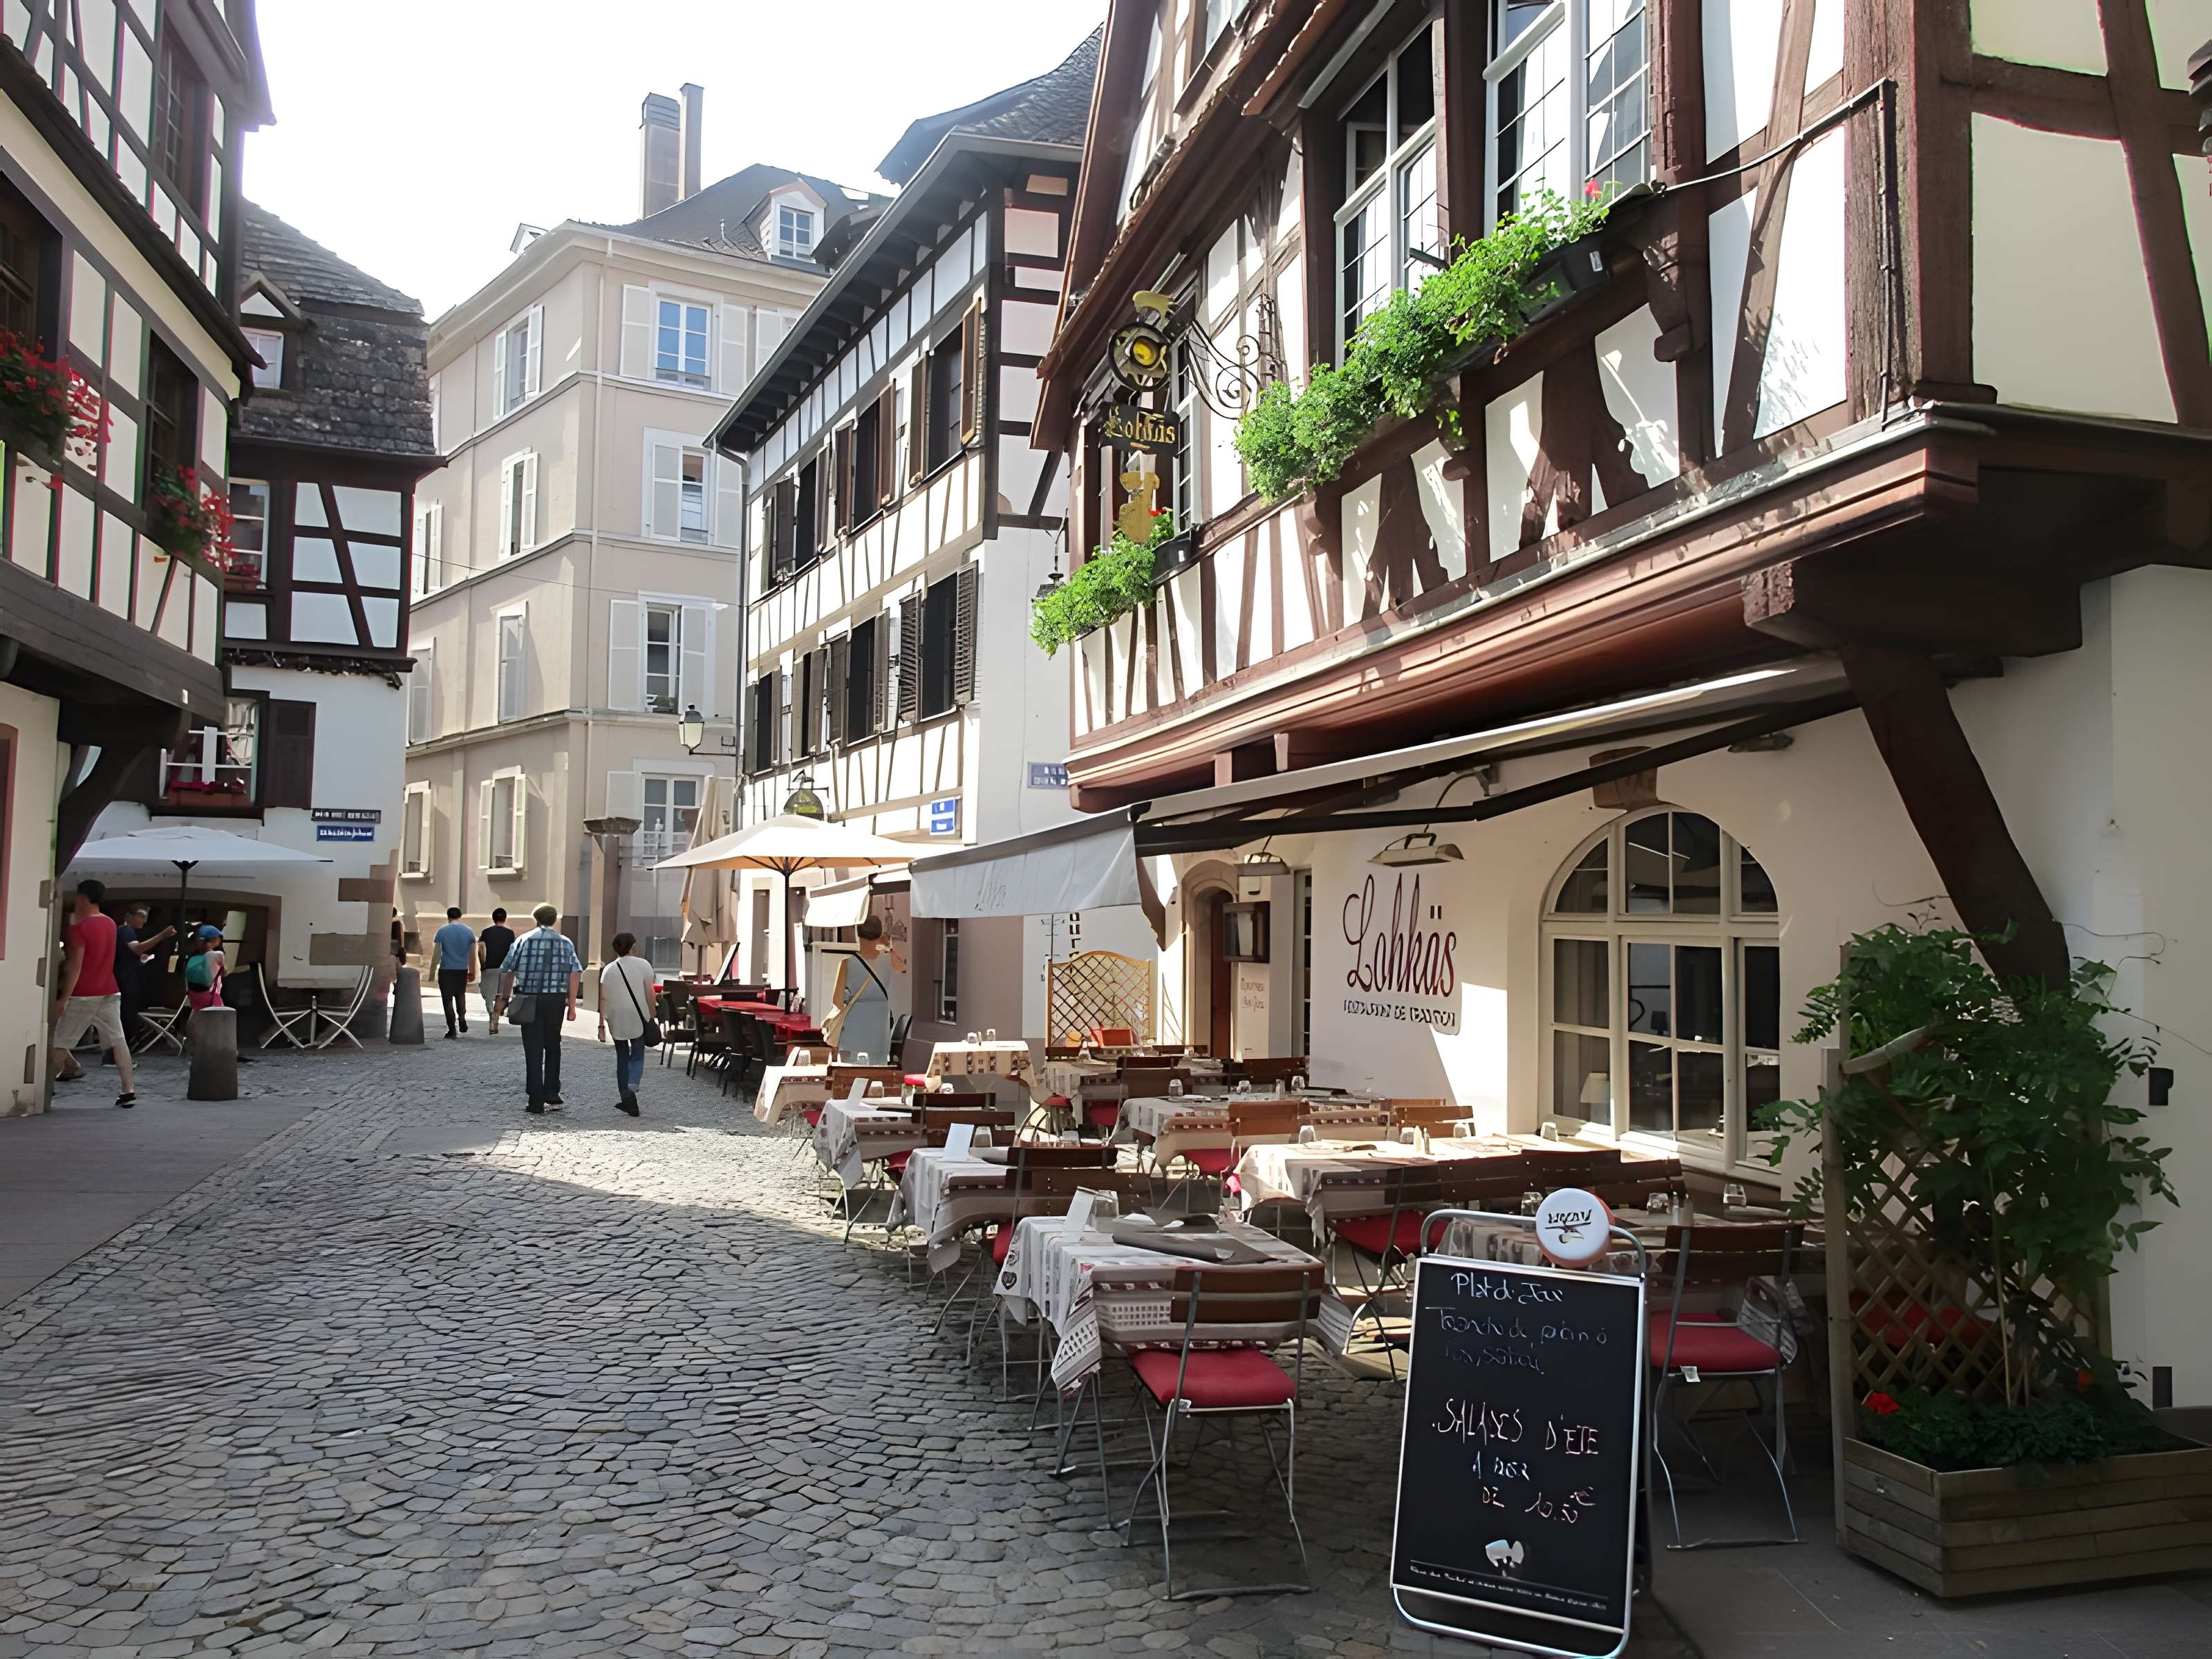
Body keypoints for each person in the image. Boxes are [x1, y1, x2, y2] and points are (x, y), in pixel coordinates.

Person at [51, 880, 135, 1107]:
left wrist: (63, 998)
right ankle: (128, 1090)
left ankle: (45, 1088)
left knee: (60, 1041)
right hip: (110, 989)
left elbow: (75, 967)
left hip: (84, 994)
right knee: (118, 1040)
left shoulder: (79, 929)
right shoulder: (110, 924)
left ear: (82, 897)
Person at [504, 903, 582, 1115]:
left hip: (529, 999)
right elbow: (575, 972)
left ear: (535, 918)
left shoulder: (523, 940)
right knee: (553, 1045)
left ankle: (535, 1100)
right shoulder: (566, 942)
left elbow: (508, 970)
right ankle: (552, 1093)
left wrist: (503, 999)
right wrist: (572, 1005)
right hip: (555, 1000)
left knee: (533, 1048)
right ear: (554, 919)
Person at [595, 933, 654, 1116]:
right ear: (633, 946)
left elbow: (604, 998)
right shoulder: (644, 965)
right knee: (637, 1053)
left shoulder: (608, 970)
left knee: (622, 1055)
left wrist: (601, 1025)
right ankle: (632, 1087)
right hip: (639, 1015)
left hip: (616, 1015)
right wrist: (653, 1015)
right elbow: (649, 993)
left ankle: (625, 1096)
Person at [112, 904, 175, 1058]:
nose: (143, 920)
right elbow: (137, 949)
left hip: (128, 978)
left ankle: (119, 1053)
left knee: (126, 1015)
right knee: (127, 1016)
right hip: (127, 981)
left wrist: (140, 959)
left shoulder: (128, 932)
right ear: (129, 917)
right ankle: (119, 1053)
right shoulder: (126, 930)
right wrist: (163, 935)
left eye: (145, 917)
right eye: (140, 916)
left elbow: (133, 953)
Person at [431, 906, 477, 1038]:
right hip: (462, 969)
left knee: (447, 1000)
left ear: (448, 916)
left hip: (446, 969)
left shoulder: (442, 931)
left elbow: (437, 953)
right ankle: (462, 1017)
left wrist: (432, 971)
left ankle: (452, 1029)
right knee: (460, 995)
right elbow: (473, 954)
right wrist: (472, 971)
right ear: (460, 916)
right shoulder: (468, 932)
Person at [181, 925, 227, 1051]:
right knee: (217, 1022)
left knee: (193, 1021)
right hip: (209, 994)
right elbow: (224, 972)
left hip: (193, 994)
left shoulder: (193, 957)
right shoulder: (217, 955)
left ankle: (193, 1047)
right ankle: (218, 1048)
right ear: (215, 940)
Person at [478, 907, 516, 1035]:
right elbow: (513, 952)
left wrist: (481, 965)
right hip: (505, 970)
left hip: (489, 968)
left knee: (488, 995)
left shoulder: (486, 932)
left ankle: (492, 1015)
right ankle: (496, 1014)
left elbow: (480, 950)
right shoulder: (510, 934)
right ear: (505, 919)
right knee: (502, 995)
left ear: (494, 918)